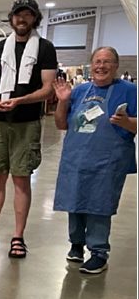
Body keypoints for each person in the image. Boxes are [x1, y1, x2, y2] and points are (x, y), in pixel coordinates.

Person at [0, 0, 57, 258]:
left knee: (21, 179)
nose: (22, 20)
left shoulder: (44, 48)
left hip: (27, 121)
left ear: (35, 19)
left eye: (28, 15)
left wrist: (20, 100)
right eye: (18, 15)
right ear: (11, 18)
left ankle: (18, 236)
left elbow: (47, 89)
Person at [52, 46, 137, 274]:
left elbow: (136, 124)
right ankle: (76, 244)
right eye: (98, 61)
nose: (101, 66)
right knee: (75, 199)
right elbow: (61, 124)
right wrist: (62, 101)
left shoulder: (129, 90)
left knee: (99, 205)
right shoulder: (80, 91)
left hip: (108, 159)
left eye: (107, 62)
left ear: (116, 66)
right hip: (77, 157)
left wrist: (126, 123)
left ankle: (99, 252)